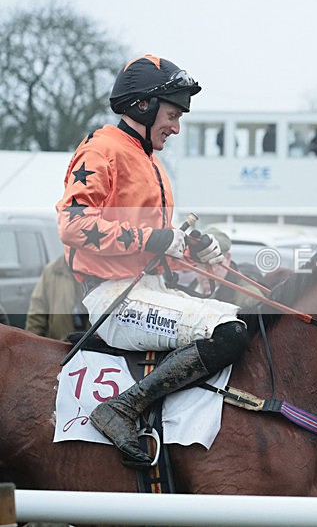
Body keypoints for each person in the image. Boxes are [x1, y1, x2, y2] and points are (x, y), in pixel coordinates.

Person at [55, 55, 249, 467]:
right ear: (143, 105)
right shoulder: (102, 149)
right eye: (173, 115)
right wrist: (157, 237)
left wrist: (191, 249)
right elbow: (73, 226)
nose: (176, 127)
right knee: (229, 333)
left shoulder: (150, 161)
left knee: (247, 320)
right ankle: (121, 409)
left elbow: (150, 251)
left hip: (148, 291)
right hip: (114, 300)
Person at [25, 256, 90, 341]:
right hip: (60, 346)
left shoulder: (99, 271)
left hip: (92, 347)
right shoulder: (51, 272)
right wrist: (32, 344)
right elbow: (36, 317)